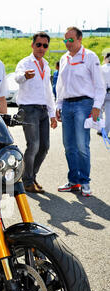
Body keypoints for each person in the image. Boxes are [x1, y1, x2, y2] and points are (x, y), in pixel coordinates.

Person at [56, 26, 106, 197]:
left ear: (80, 40)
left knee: (81, 145)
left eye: (71, 40)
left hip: (84, 104)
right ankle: (73, 180)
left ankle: (84, 181)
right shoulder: (64, 58)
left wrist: (97, 107)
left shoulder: (90, 57)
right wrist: (58, 105)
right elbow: (60, 85)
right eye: (65, 40)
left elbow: (100, 86)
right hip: (67, 105)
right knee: (68, 146)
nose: (68, 43)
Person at [14, 32, 57, 193]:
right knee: (33, 146)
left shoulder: (46, 64)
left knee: (45, 147)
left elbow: (48, 91)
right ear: (32, 45)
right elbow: (17, 78)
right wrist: (24, 76)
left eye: (45, 45)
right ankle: (27, 181)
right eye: (38, 44)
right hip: (28, 109)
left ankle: (31, 177)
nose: (41, 48)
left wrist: (52, 114)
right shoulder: (25, 62)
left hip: (43, 110)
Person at [99, 51, 110, 138]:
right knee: (108, 114)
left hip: (101, 92)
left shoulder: (101, 68)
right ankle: (105, 131)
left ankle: (100, 128)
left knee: (98, 110)